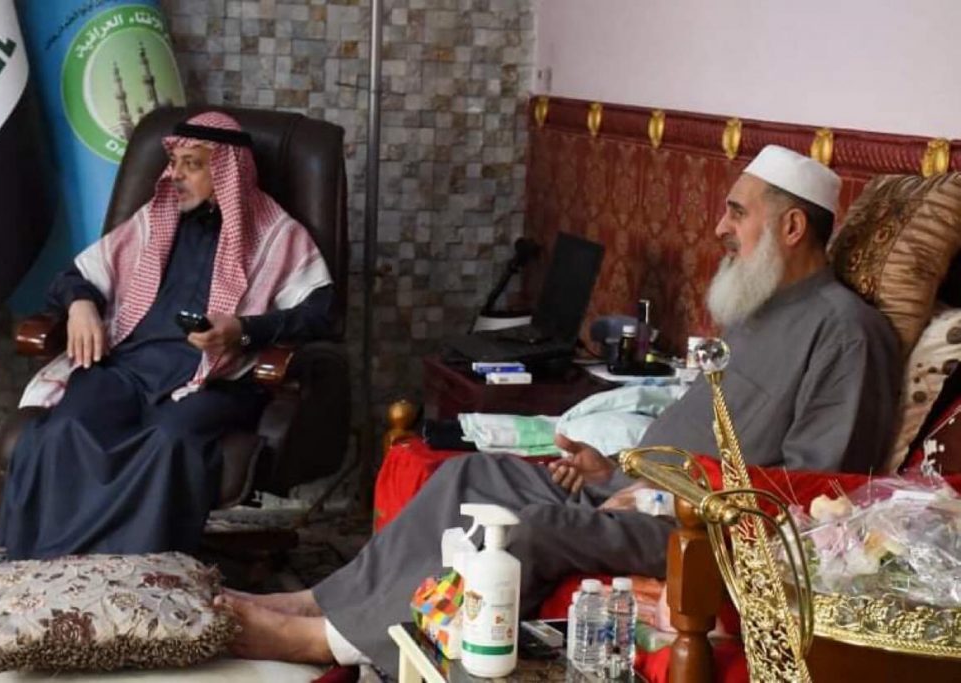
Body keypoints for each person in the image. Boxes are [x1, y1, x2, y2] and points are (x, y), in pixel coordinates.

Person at [215, 146, 901, 674]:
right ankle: (321, 599)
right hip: (637, 488)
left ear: (791, 226)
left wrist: (661, 499)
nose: (720, 226)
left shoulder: (847, 333)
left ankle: (331, 641)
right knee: (466, 474)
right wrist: (614, 467)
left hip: (699, 530)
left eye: (737, 212)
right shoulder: (760, 307)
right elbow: (701, 429)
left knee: (527, 528)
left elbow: (815, 491)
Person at [0, 112, 334, 559]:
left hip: (216, 380)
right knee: (67, 428)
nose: (175, 175)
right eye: (174, 162)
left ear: (227, 171)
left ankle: (137, 570)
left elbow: (318, 314)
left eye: (192, 165)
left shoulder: (276, 234)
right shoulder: (156, 220)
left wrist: (245, 330)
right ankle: (49, 564)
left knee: (168, 439)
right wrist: (80, 304)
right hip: (127, 368)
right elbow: (76, 276)